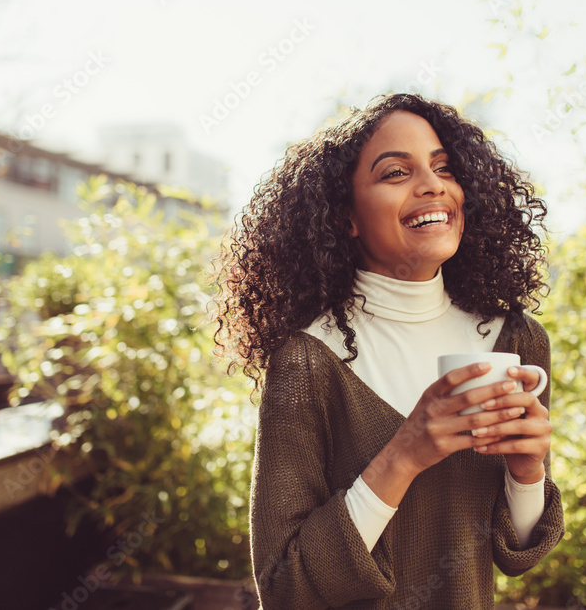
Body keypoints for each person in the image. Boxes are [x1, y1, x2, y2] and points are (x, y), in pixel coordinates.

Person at [211, 93, 564, 609]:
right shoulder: (308, 360)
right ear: (345, 217)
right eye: (396, 172)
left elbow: (520, 555)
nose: (432, 185)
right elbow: (285, 587)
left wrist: (527, 470)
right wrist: (405, 454)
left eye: (443, 167)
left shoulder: (516, 340)